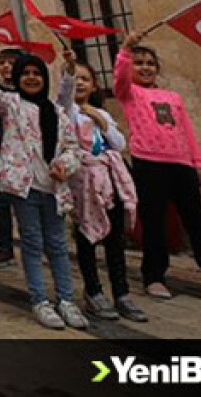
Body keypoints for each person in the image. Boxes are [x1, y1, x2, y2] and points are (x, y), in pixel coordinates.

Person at [0, 44, 87, 331]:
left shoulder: (56, 112)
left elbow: (73, 148)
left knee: (57, 244)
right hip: (25, 187)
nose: (31, 78)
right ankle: (40, 300)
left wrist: (63, 166)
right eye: (26, 73)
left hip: (53, 187)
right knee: (31, 242)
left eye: (37, 73)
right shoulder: (11, 105)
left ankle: (66, 299)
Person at [114, 34, 201, 303]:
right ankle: (154, 277)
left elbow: (187, 131)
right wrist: (125, 50)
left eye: (150, 63)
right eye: (139, 63)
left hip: (181, 164)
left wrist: (198, 163)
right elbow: (120, 79)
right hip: (149, 163)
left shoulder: (172, 97)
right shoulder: (130, 94)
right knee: (155, 223)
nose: (145, 67)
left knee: (197, 223)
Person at [66, 57, 145, 322]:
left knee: (114, 241)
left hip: (109, 182)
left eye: (85, 79)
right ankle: (93, 291)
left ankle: (121, 292)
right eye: (75, 78)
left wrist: (99, 118)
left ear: (94, 86)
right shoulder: (64, 112)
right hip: (83, 182)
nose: (79, 83)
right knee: (87, 240)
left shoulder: (102, 114)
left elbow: (119, 143)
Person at [0, 48, 22, 269]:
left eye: (11, 62)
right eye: (3, 63)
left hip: (25, 156)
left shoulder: (28, 91)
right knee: (2, 203)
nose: (6, 67)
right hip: (1, 153)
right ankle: (4, 246)